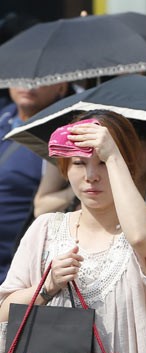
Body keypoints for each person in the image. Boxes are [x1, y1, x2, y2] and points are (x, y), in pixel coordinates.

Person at [0, 110, 146, 353]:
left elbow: (140, 239)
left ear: (126, 166)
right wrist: (47, 286)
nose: (91, 175)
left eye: (102, 162)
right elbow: (4, 313)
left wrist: (113, 152)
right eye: (79, 162)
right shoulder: (45, 229)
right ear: (65, 168)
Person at [0, 83, 69, 283]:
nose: (29, 84)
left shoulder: (60, 135)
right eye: (22, 77)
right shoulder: (4, 116)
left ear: (62, 88)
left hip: (15, 265)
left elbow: (44, 205)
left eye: (42, 79)